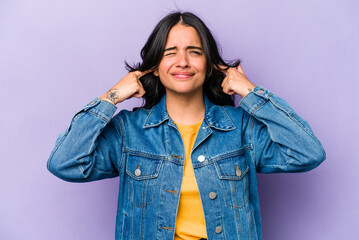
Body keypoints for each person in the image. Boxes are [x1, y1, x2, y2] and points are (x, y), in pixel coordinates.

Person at [47, 11, 326, 240]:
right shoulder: (128, 132)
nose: (182, 62)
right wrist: (112, 97)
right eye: (170, 52)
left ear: (209, 64)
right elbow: (65, 162)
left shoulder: (242, 129)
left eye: (194, 52)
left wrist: (250, 91)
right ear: (155, 66)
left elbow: (307, 152)